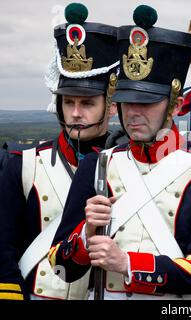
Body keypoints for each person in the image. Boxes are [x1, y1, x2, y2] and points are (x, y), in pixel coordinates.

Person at [48, 5, 191, 300]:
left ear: (173, 104)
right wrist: (86, 235)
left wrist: (127, 264)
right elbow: (60, 268)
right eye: (126, 100)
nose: (133, 113)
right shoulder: (97, 165)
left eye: (146, 102)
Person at [0, 3, 119, 300]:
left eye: (88, 103)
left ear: (111, 105)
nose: (76, 113)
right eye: (68, 102)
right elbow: (3, 250)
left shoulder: (128, 165)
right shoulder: (22, 165)